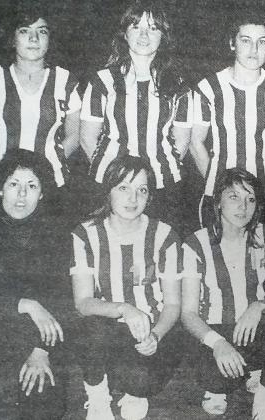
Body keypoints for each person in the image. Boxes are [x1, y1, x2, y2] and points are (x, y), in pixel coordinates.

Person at [181, 168, 265, 420]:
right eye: (234, 197)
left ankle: (263, 404)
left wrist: (259, 305)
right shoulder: (195, 243)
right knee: (217, 381)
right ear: (218, 201)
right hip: (214, 333)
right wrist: (218, 344)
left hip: (252, 327)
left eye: (250, 199)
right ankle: (222, 385)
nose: (243, 207)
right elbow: (188, 313)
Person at [0, 149, 74, 420]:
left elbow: (63, 299)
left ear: (43, 193)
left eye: (31, 186)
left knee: (45, 407)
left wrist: (41, 350)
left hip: (32, 337)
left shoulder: (56, 235)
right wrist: (26, 304)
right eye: (14, 184)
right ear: (0, 189)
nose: (22, 195)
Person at [70, 155, 184, 420]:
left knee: (142, 383)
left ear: (149, 197)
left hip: (151, 329)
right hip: (106, 325)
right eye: (123, 187)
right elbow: (83, 302)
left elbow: (173, 303)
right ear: (108, 190)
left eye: (141, 190)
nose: (133, 199)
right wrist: (123, 309)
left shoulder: (165, 235)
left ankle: (132, 388)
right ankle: (97, 394)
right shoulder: (85, 233)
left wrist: (155, 335)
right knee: (90, 328)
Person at [80, 0, 196, 236]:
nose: (144, 35)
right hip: (110, 184)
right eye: (136, 26)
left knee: (160, 253)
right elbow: (87, 138)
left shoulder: (178, 84)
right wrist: (116, 178)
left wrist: (157, 174)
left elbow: (182, 143)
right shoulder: (102, 80)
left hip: (163, 187)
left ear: (163, 36)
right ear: (124, 33)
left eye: (153, 28)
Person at [0, 4, 81, 203]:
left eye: (41, 31)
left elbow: (75, 136)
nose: (34, 39)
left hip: (50, 185)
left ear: (50, 39)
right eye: (25, 31)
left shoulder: (66, 80)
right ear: (12, 39)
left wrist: (48, 168)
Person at [189, 13, 265, 231]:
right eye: (246, 40)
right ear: (232, 43)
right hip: (217, 193)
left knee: (263, 261)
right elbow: (196, 144)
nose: (254, 49)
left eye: (261, 42)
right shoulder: (209, 87)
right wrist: (220, 185)